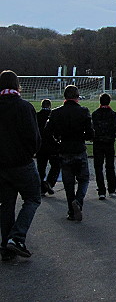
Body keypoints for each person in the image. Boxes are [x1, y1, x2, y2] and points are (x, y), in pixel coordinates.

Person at [0, 70, 41, 260]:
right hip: (21, 163)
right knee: (33, 198)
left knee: (6, 204)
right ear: (17, 85)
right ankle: (16, 238)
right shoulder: (24, 107)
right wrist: (29, 152)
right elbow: (34, 138)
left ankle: (6, 245)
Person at [45, 85, 94, 222]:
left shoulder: (56, 113)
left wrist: (57, 144)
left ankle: (71, 211)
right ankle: (78, 201)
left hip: (64, 149)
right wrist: (82, 137)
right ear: (77, 96)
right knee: (83, 179)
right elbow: (90, 134)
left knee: (68, 183)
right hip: (79, 149)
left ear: (65, 97)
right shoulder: (84, 111)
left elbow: (47, 133)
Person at [92, 93, 116, 200]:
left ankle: (101, 191)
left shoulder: (95, 114)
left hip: (98, 143)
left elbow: (92, 128)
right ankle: (112, 190)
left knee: (98, 168)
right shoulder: (113, 114)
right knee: (110, 166)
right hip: (109, 143)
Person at [36, 99, 61, 196]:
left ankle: (41, 187)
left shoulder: (36, 116)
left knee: (41, 167)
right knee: (56, 165)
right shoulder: (54, 115)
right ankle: (49, 182)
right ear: (50, 105)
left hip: (40, 146)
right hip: (52, 145)